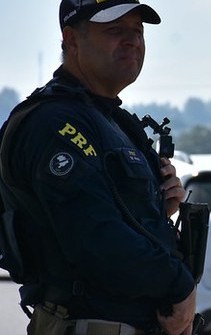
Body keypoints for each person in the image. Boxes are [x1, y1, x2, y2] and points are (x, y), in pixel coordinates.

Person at [0, 1, 196, 334]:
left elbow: (109, 214)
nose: (132, 40)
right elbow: (94, 236)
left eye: (137, 31)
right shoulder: (55, 122)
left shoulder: (106, 119)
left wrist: (156, 205)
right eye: (115, 30)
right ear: (71, 39)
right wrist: (177, 285)